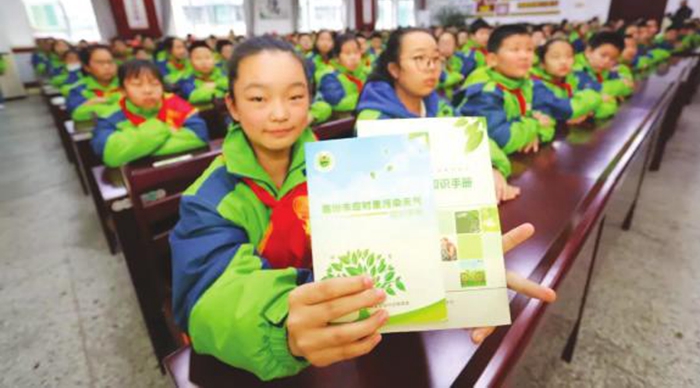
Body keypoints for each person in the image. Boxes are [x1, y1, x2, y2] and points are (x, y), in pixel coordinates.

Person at [169, 35, 555, 381]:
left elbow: (396, 237)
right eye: (258, 99)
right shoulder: (209, 197)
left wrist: (462, 269)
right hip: (266, 362)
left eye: (295, 96)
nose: (280, 113)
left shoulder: (345, 167)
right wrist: (282, 325)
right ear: (233, 106)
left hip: (357, 334)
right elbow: (210, 298)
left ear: (310, 100)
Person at [356, 28, 518, 203]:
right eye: (419, 58)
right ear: (394, 69)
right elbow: (390, 186)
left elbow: (480, 141)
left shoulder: (440, 107)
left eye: (435, 59)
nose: (432, 67)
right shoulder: (373, 120)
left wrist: (492, 168)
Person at [457, 24, 555, 156]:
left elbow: (549, 118)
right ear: (492, 60)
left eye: (529, 49)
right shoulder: (486, 91)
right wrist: (535, 124)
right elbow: (501, 140)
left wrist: (538, 136)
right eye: (515, 50)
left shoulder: (527, 83)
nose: (524, 56)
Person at [91, 60, 208, 167]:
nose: (148, 90)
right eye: (137, 84)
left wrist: (134, 151)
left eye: (154, 84)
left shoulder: (174, 103)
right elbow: (111, 155)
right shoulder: (109, 117)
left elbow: (200, 136)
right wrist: (163, 129)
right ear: (123, 90)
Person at [531, 39, 601, 125]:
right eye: (555, 57)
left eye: (569, 56)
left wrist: (589, 113)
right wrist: (588, 107)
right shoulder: (534, 83)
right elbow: (563, 109)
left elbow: (607, 101)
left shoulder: (575, 76)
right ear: (542, 63)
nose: (564, 62)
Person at [66, 45, 122, 122]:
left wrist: (96, 104)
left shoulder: (126, 82)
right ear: (87, 67)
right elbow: (78, 114)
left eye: (110, 62)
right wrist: (119, 106)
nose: (107, 66)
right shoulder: (78, 89)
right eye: (100, 63)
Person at [177, 41, 229, 106]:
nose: (204, 62)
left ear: (214, 59)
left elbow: (231, 84)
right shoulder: (186, 78)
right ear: (190, 61)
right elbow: (193, 97)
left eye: (208, 57)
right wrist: (220, 92)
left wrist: (215, 84)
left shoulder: (221, 71)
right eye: (198, 58)